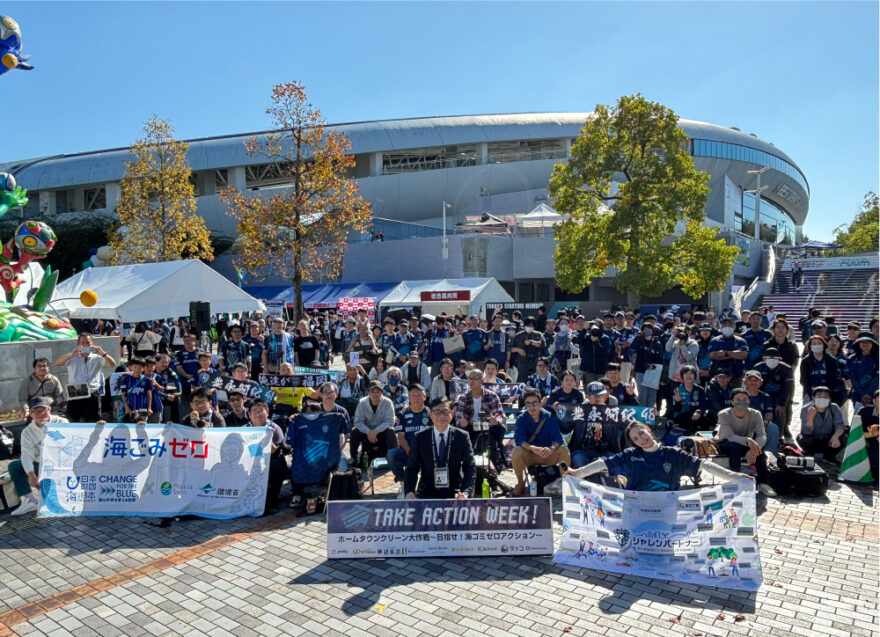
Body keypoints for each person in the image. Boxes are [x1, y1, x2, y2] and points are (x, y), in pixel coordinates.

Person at [567, 421, 746, 491]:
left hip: (666, 511)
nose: (641, 439)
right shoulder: (630, 456)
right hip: (635, 510)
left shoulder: (673, 454)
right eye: (635, 438)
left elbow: (704, 466)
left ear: (649, 430)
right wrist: (577, 473)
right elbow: (602, 464)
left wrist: (734, 476)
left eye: (642, 433)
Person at [8, 397, 70, 515]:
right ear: (31, 414)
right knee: (15, 466)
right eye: (36, 411)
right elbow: (26, 455)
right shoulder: (27, 432)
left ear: (50, 409)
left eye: (44, 410)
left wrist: (97, 428)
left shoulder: (62, 423)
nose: (41, 413)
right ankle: (30, 500)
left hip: (61, 464)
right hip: (41, 465)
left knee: (53, 501)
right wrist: (31, 474)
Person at [404, 397, 475, 500]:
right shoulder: (420, 438)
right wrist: (409, 492)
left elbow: (470, 467)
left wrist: (465, 492)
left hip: (455, 493)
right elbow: (411, 468)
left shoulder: (462, 437)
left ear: (452, 414)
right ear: (430, 414)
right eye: (437, 412)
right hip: (427, 493)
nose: (441, 416)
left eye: (445, 412)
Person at [511, 388, 572, 496]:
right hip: (531, 455)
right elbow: (519, 440)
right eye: (528, 404)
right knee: (516, 450)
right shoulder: (521, 418)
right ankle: (520, 483)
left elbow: (558, 438)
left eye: (534, 403)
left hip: (548, 454)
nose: (532, 407)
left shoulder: (549, 416)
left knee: (564, 450)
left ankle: (565, 483)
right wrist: (532, 448)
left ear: (540, 403)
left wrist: (551, 448)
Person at [54, 333, 116, 422]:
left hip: (93, 393)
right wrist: (71, 354)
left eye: (88, 342)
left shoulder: (98, 357)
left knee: (94, 421)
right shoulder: (72, 357)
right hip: (76, 393)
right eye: (82, 342)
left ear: (92, 343)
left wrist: (103, 354)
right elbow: (58, 363)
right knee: (72, 421)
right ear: (78, 343)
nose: (85, 345)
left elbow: (112, 364)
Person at [454, 368, 506, 466]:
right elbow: (458, 416)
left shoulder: (492, 396)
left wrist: (496, 420)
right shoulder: (462, 398)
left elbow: (500, 414)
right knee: (463, 435)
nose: (471, 381)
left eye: (475, 378)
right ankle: (468, 465)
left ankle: (494, 465)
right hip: (470, 427)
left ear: (482, 380)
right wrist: (461, 421)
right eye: (470, 378)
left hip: (488, 426)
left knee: (493, 435)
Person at [247, 398, 290, 514]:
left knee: (277, 464)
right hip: (251, 463)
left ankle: (273, 499)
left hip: (271, 462)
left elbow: (274, 451)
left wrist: (267, 437)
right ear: (249, 415)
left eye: (261, 410)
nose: (258, 413)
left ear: (267, 413)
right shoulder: (244, 429)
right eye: (255, 411)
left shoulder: (275, 428)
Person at [387, 384, 432, 491]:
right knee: (391, 454)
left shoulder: (431, 413)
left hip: (427, 453)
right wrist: (411, 452)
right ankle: (403, 481)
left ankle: (426, 484)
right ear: (409, 397)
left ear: (424, 397)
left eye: (419, 395)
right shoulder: (402, 414)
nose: (416, 398)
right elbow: (401, 438)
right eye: (413, 395)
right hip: (408, 452)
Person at [350, 380, 398, 466]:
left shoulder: (388, 402)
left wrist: (376, 431)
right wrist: (368, 431)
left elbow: (390, 421)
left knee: (391, 431)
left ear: (382, 393)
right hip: (366, 432)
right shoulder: (362, 402)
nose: (375, 394)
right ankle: (353, 458)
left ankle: (393, 459)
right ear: (368, 393)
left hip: (381, 431)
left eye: (378, 391)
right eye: (372, 391)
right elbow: (358, 421)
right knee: (354, 432)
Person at [753, 347, 795, 440]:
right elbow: (754, 385)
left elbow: (787, 388)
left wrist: (782, 403)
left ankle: (780, 435)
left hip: (779, 396)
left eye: (775, 359)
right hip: (762, 395)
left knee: (780, 411)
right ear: (764, 359)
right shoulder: (758, 367)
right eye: (769, 358)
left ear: (780, 359)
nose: (772, 361)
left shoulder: (786, 369)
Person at [798, 386, 846, 463]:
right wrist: (810, 417)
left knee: (844, 437)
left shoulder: (834, 408)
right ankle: (810, 454)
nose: (822, 399)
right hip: (813, 438)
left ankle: (829, 456)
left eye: (826, 396)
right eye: (819, 396)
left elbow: (840, 426)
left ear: (830, 399)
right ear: (813, 398)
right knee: (807, 439)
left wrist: (835, 436)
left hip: (828, 439)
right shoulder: (806, 409)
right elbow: (806, 432)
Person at [741, 370, 780, 453]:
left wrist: (764, 423)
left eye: (756, 380)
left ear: (761, 382)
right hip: (741, 425)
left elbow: (769, 414)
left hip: (760, 426)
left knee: (773, 427)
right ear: (744, 381)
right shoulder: (738, 395)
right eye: (750, 380)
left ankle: (770, 454)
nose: (753, 382)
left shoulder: (766, 397)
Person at [631, 321, 664, 409]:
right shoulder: (638, 340)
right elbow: (633, 352)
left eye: (650, 330)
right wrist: (640, 338)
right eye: (645, 330)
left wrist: (653, 366)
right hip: (641, 371)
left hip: (653, 372)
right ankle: (642, 416)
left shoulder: (657, 343)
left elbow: (660, 359)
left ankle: (650, 417)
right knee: (642, 395)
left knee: (652, 396)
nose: (648, 332)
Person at [708, 317, 748, 387]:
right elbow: (713, 355)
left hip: (736, 375)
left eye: (730, 325)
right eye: (725, 325)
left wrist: (725, 353)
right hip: (718, 375)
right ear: (721, 327)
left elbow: (744, 354)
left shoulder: (740, 340)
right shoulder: (715, 340)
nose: (727, 327)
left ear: (734, 326)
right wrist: (735, 353)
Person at [800, 335, 841, 400]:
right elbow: (803, 380)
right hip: (810, 393)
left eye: (819, 343)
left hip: (828, 393)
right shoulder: (805, 361)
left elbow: (834, 378)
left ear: (824, 345)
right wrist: (812, 394)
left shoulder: (831, 360)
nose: (816, 345)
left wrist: (825, 393)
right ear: (810, 346)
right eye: (814, 343)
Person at [846, 332, 879, 409]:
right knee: (858, 418)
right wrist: (862, 394)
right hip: (858, 394)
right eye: (862, 342)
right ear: (858, 344)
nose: (865, 344)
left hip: (876, 395)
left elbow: (878, 378)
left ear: (873, 343)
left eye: (868, 342)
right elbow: (852, 379)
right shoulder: (851, 359)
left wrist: (869, 394)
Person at [118, 357, 154, 423]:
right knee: (129, 428)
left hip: (143, 409)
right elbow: (123, 395)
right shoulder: (125, 380)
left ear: (144, 368)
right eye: (135, 367)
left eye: (140, 367)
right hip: (130, 409)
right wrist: (127, 408)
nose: (137, 369)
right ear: (130, 367)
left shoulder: (147, 380)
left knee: (141, 427)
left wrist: (149, 408)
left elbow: (149, 395)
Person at [857, 390, 879, 486]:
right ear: (874, 401)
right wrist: (871, 434)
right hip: (868, 443)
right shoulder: (864, 412)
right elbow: (855, 432)